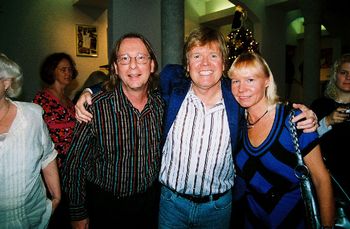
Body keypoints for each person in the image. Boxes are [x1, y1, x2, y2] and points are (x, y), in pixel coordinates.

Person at [74, 27, 318, 229]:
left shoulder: (237, 99)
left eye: (213, 56)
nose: (205, 64)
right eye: (196, 56)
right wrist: (89, 91)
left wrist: (302, 114)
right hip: (170, 205)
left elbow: (264, 103)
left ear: (224, 64)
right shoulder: (171, 91)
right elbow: (133, 82)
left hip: (218, 208)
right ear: (186, 65)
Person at [62, 33, 164, 229]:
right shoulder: (95, 108)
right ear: (116, 68)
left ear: (151, 66)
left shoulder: (161, 105)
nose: (133, 65)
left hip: (150, 206)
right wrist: (77, 213)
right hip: (106, 207)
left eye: (141, 58)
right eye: (124, 59)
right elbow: (74, 165)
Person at [228, 52, 335, 228]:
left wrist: (327, 226)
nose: (241, 88)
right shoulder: (237, 122)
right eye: (236, 81)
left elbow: (321, 179)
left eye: (250, 80)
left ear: (267, 80)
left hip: (292, 221)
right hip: (250, 220)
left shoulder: (294, 120)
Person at [0, 53, 61, 228]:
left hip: (34, 215)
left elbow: (47, 154)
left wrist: (56, 196)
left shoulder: (31, 115)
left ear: (6, 82)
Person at [33, 52, 78, 229]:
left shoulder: (70, 101)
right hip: (51, 167)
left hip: (71, 167)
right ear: (52, 71)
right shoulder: (41, 99)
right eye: (63, 69)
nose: (68, 73)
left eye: (70, 69)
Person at [311, 53, 350, 216]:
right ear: (335, 75)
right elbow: (305, 142)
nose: (348, 77)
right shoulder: (321, 105)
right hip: (328, 179)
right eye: (344, 72)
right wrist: (327, 121)